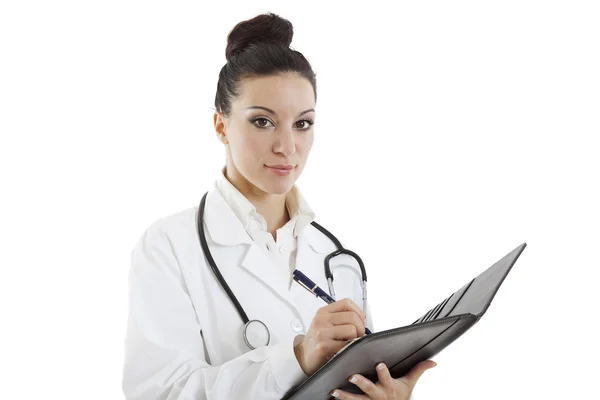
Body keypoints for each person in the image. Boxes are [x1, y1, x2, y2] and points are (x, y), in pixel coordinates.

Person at [122, 12, 436, 400]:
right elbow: (160, 394)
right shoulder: (168, 246)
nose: (287, 147)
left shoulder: (335, 258)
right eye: (263, 122)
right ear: (221, 126)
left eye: (302, 124)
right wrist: (297, 357)